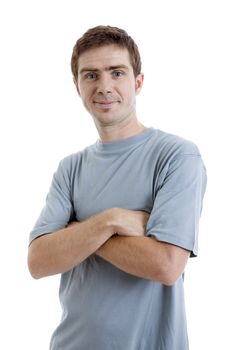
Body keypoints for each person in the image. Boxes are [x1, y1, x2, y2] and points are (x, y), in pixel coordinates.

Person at [28, 25, 207, 350]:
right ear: (77, 86)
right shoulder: (70, 168)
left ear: (138, 82)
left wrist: (75, 234)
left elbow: (165, 264)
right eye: (91, 75)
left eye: (117, 73)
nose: (104, 86)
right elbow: (38, 261)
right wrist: (109, 221)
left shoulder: (176, 156)